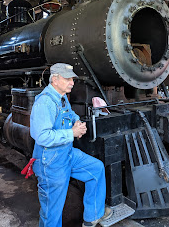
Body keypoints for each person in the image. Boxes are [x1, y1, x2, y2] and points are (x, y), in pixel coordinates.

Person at [30, 63, 112, 227]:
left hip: (66, 153)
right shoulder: (44, 103)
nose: (72, 83)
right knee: (52, 212)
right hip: (50, 162)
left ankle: (92, 216)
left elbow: (70, 113)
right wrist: (71, 133)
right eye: (67, 79)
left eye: (72, 79)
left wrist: (77, 123)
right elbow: (42, 136)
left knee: (96, 169)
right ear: (55, 79)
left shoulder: (61, 97)